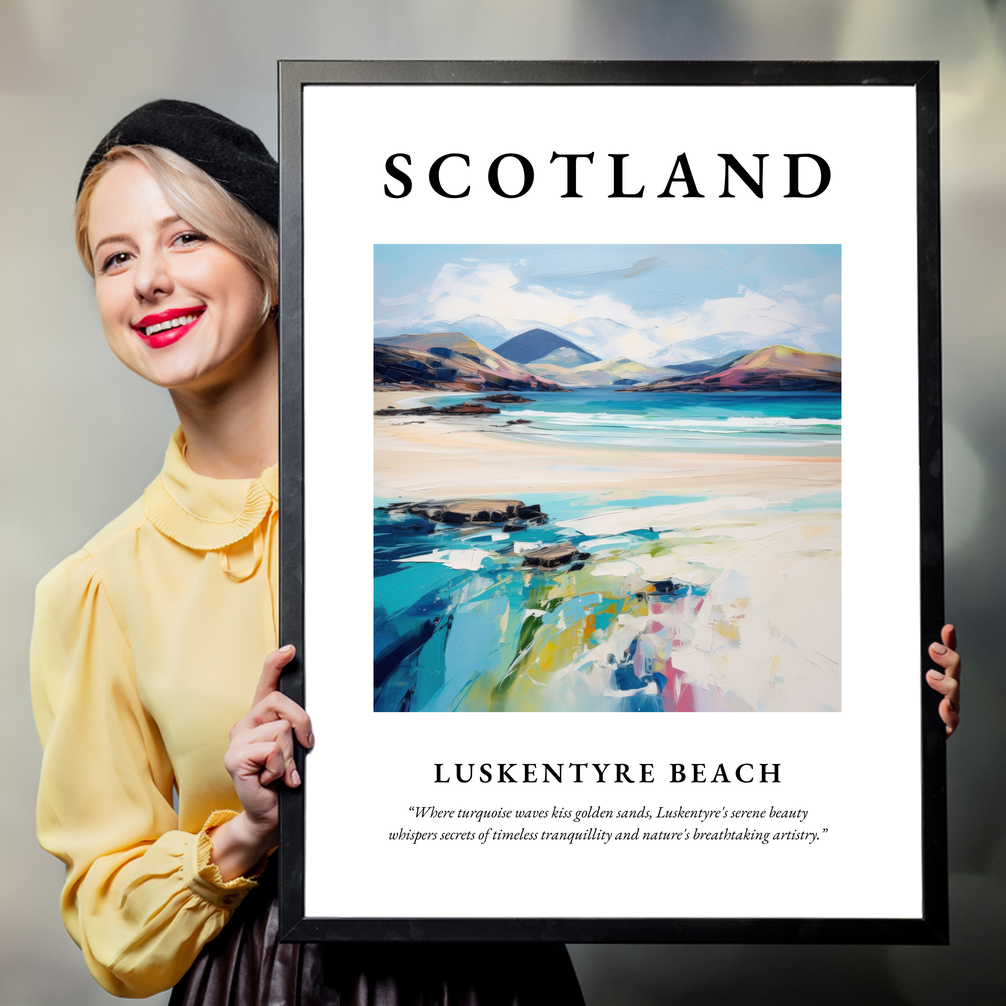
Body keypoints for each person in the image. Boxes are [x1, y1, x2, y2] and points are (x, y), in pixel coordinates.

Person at [30, 100, 586, 1004]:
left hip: (493, 973)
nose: (148, 281)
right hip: (263, 981)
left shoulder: (442, 496)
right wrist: (245, 832)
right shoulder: (97, 587)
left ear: (273, 263)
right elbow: (110, 924)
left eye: (185, 238)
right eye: (116, 257)